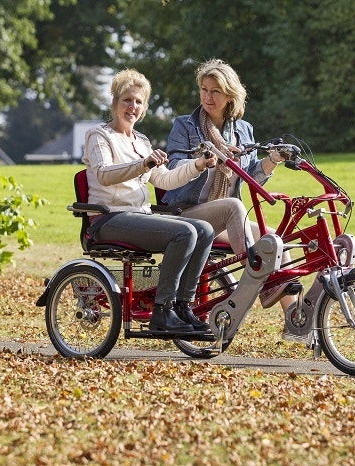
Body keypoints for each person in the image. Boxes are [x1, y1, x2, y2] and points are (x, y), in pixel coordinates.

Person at [82, 69, 217, 333]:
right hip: (109, 218)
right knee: (185, 232)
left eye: (138, 102)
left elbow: (164, 180)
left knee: (204, 229)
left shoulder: (141, 141)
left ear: (144, 108)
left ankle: (183, 306)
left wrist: (198, 165)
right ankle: (162, 310)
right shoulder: (99, 135)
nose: (132, 107)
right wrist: (143, 164)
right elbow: (104, 174)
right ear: (114, 102)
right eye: (127, 100)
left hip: (138, 217)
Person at [163, 59, 297, 312]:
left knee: (274, 238)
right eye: (204, 89)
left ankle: (294, 317)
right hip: (187, 213)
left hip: (225, 219)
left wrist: (272, 160)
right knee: (233, 206)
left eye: (215, 91)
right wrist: (207, 159)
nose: (207, 97)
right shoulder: (185, 125)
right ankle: (259, 279)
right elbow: (173, 166)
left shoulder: (244, 130)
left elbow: (250, 176)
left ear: (230, 96)